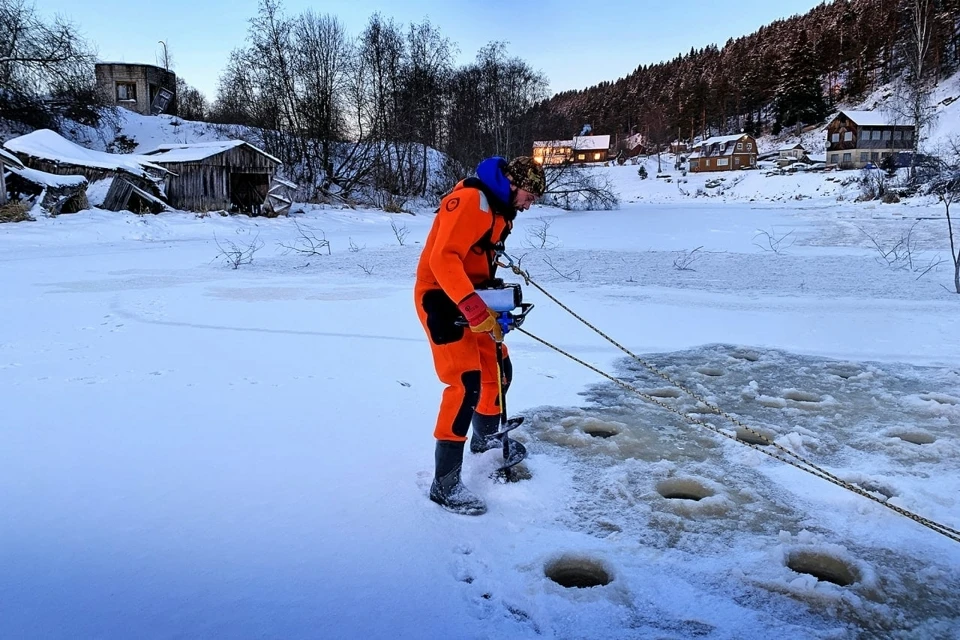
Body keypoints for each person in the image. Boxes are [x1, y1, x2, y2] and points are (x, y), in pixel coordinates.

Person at [414, 156, 546, 515]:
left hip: (472, 296)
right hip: (440, 298)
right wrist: (473, 306)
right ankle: (445, 485)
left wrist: (490, 290)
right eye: (530, 195)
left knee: (498, 371)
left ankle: (486, 439)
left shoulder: (498, 208)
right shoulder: (472, 200)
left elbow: (475, 255)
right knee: (465, 383)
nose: (530, 203)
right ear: (512, 182)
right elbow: (443, 260)